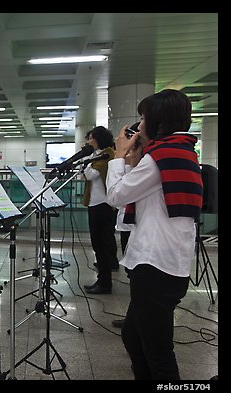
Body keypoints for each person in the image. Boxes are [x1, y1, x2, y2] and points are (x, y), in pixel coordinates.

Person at [106, 89, 202, 380]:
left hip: (155, 266)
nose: (139, 124)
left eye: (143, 117)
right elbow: (147, 193)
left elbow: (116, 196)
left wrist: (119, 156)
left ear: (157, 122)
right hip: (168, 263)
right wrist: (135, 160)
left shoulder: (159, 157)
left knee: (158, 352)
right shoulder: (179, 152)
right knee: (135, 339)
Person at [81, 126, 118, 294]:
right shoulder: (96, 156)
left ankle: (105, 283)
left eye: (91, 138)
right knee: (98, 244)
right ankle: (102, 279)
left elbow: (90, 175)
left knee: (101, 244)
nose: (88, 142)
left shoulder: (107, 154)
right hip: (94, 203)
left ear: (98, 139)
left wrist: (87, 162)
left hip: (103, 205)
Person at [111, 123, 139, 330]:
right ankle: (134, 315)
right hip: (126, 226)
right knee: (132, 274)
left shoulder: (146, 167)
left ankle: (136, 316)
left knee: (136, 275)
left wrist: (119, 155)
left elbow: (116, 196)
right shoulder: (135, 166)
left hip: (135, 230)